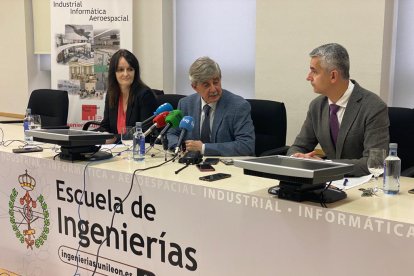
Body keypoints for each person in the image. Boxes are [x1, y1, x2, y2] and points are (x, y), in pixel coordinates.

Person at [287, 43, 389, 176]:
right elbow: (298, 147)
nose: (308, 77)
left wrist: (327, 166)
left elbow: (375, 162)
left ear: (333, 76)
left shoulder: (373, 106)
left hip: (364, 187)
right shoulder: (316, 106)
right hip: (326, 184)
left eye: (314, 71)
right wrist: (297, 158)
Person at [167, 56, 255, 156]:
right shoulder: (185, 104)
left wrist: (204, 148)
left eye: (216, 82)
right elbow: (172, 134)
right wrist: (181, 146)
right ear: (194, 87)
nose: (213, 89)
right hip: (192, 164)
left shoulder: (238, 106)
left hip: (226, 167)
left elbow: (246, 145)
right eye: (206, 85)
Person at [97, 49, 158, 143]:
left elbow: (146, 134)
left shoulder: (145, 95)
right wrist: (89, 136)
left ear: (135, 71)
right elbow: (105, 126)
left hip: (137, 151)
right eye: (120, 70)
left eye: (130, 69)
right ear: (114, 73)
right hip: (115, 150)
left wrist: (113, 139)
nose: (125, 74)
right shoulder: (111, 93)